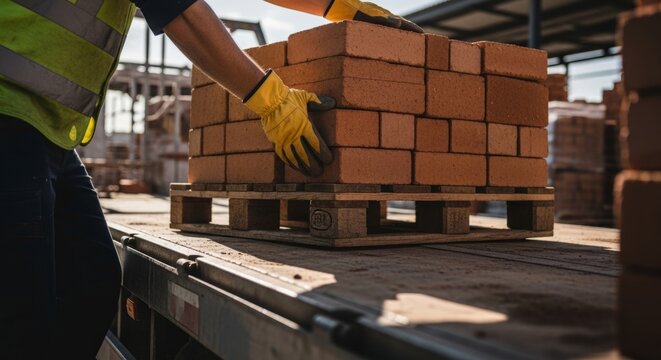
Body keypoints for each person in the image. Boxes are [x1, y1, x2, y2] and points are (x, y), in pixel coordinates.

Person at [0, 0, 422, 357]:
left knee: (90, 282)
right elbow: (179, 10)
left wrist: (336, 6)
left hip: (44, 130)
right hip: (8, 112)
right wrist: (270, 100)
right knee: (24, 316)